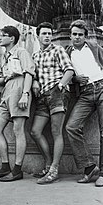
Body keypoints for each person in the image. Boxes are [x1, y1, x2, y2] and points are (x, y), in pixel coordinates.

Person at [0, 25, 35, 182]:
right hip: (7, 90)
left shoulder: (21, 52)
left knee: (18, 129)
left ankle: (17, 169)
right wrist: (0, 80)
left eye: (3, 35)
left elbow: (29, 73)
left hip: (19, 88)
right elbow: (7, 74)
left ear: (12, 38)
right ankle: (5, 166)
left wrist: (25, 94)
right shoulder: (4, 56)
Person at [65, 19, 103, 187]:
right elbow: (67, 73)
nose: (77, 37)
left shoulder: (95, 47)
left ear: (85, 36)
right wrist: (75, 78)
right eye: (74, 34)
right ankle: (89, 167)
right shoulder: (67, 53)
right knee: (72, 127)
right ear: (70, 35)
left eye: (80, 35)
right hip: (85, 93)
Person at [31, 22, 74, 184]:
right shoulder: (35, 55)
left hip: (57, 93)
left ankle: (54, 170)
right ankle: (48, 163)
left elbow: (69, 70)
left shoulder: (58, 50)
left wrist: (60, 86)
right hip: (42, 96)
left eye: (49, 33)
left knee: (56, 132)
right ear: (38, 36)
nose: (47, 36)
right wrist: (35, 81)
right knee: (35, 131)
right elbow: (33, 73)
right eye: (44, 33)